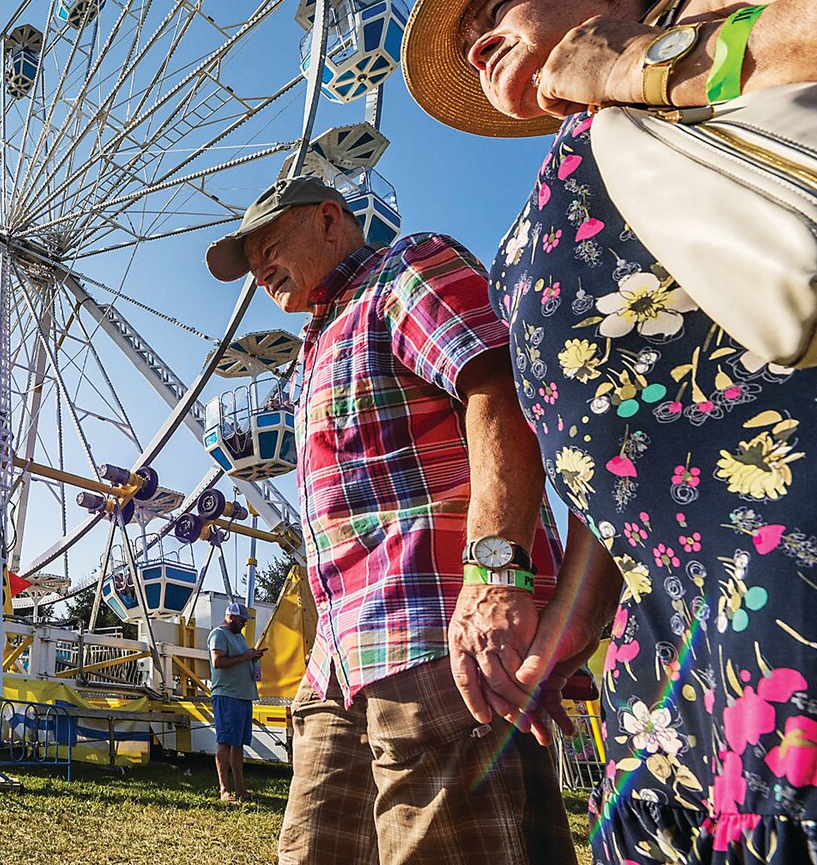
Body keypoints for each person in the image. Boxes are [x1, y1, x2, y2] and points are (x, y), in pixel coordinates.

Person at [401, 0, 817, 863]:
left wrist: (654, 60)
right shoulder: (561, 186)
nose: (476, 42)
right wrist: (575, 614)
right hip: (674, 664)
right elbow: (630, 429)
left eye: (495, 7)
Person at [205, 176, 580, 863]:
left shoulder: (406, 270)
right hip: (340, 659)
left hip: (436, 633)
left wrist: (497, 575)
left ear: (328, 220)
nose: (258, 270)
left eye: (268, 244)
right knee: (311, 848)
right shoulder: (316, 346)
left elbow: (498, 391)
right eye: (249, 261)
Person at [208, 601, 264, 802]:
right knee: (225, 742)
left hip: (243, 696)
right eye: (242, 620)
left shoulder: (238, 637)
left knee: (238, 744)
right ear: (230, 617)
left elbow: (241, 657)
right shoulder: (218, 635)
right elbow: (218, 662)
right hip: (227, 695)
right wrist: (245, 656)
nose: (244, 624)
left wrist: (252, 656)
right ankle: (224, 791)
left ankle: (241, 789)